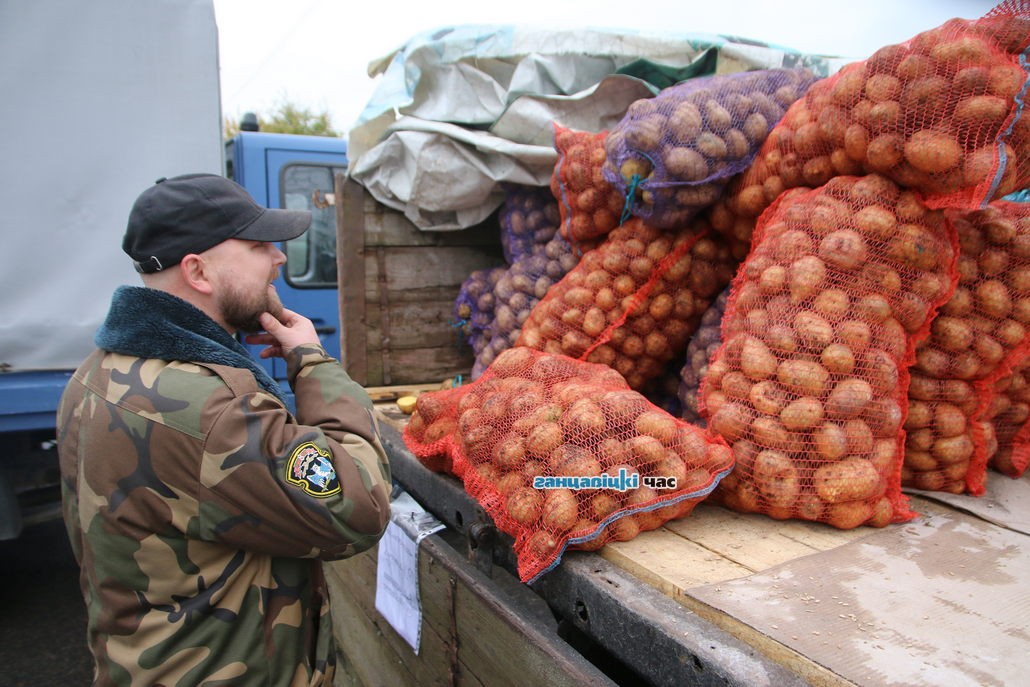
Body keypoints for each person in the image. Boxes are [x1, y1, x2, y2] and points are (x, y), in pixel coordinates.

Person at [56, 173, 392, 686]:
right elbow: (360, 505)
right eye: (258, 246)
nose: (279, 258)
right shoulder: (211, 411)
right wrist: (313, 363)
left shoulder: (94, 372)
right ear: (198, 271)